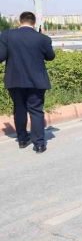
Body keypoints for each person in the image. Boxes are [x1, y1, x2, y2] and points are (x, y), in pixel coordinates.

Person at [0, 11, 55, 153]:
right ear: (34, 22)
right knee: (36, 110)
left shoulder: (7, 35)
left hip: (14, 79)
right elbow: (50, 57)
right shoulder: (42, 38)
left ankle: (23, 140)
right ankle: (39, 144)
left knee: (19, 108)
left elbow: (1, 56)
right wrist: (41, 37)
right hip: (36, 81)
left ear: (20, 21)